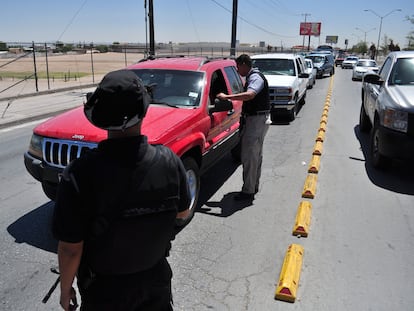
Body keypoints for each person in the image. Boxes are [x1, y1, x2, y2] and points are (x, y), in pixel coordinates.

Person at [52, 69, 191, 311]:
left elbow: (70, 248)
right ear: (143, 111)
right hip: (154, 283)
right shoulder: (169, 161)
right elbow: (181, 214)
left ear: (100, 115)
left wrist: (65, 291)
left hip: (104, 292)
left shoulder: (79, 173)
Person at [216, 54, 270, 201]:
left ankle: (248, 192)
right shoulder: (252, 76)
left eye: (238, 67)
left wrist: (227, 97)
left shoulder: (255, 77)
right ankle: (253, 186)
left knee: (250, 156)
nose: (238, 70)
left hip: (256, 121)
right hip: (255, 119)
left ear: (245, 64)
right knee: (255, 156)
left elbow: (250, 95)